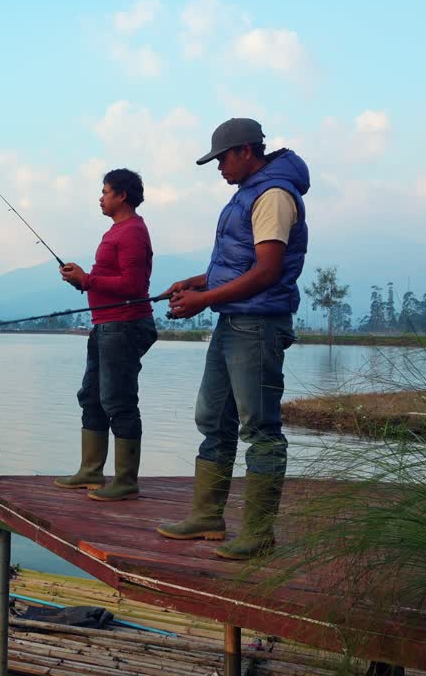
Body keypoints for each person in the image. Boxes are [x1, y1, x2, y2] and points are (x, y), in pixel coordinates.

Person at [155, 117, 308, 559]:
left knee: (260, 428)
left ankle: (258, 535)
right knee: (212, 418)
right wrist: (197, 282)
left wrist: (204, 300)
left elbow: (266, 271)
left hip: (257, 326)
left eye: (222, 158)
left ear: (246, 151)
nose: (219, 167)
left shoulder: (274, 196)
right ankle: (207, 517)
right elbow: (240, 264)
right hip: (233, 322)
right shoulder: (248, 194)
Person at [55, 168, 158, 501]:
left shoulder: (131, 233)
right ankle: (91, 472)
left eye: (105, 191)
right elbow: (106, 280)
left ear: (122, 196)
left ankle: (126, 480)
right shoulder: (117, 231)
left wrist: (87, 280)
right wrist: (82, 279)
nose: (101, 197)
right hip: (105, 325)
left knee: (118, 400)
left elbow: (133, 286)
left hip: (123, 326)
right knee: (91, 397)